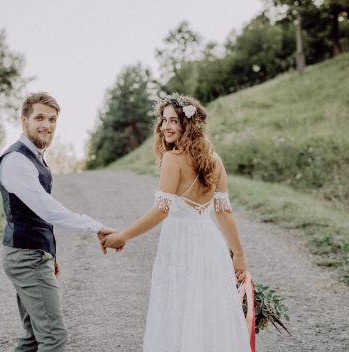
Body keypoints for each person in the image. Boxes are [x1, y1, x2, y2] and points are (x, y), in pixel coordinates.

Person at [101, 94, 251, 351]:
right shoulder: (215, 160)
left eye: (173, 121)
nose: (165, 127)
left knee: (179, 306)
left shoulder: (173, 159)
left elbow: (161, 211)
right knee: (206, 308)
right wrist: (238, 254)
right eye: (163, 120)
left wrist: (123, 236)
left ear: (189, 124)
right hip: (209, 242)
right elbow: (223, 212)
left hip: (181, 243)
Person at [0, 92, 118, 352]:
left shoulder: (33, 156)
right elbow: (47, 209)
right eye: (39, 118)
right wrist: (93, 225)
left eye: (52, 119)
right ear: (24, 120)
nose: (47, 125)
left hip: (31, 253)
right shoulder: (16, 159)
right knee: (53, 337)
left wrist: (49, 253)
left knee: (34, 337)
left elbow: (37, 214)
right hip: (26, 256)